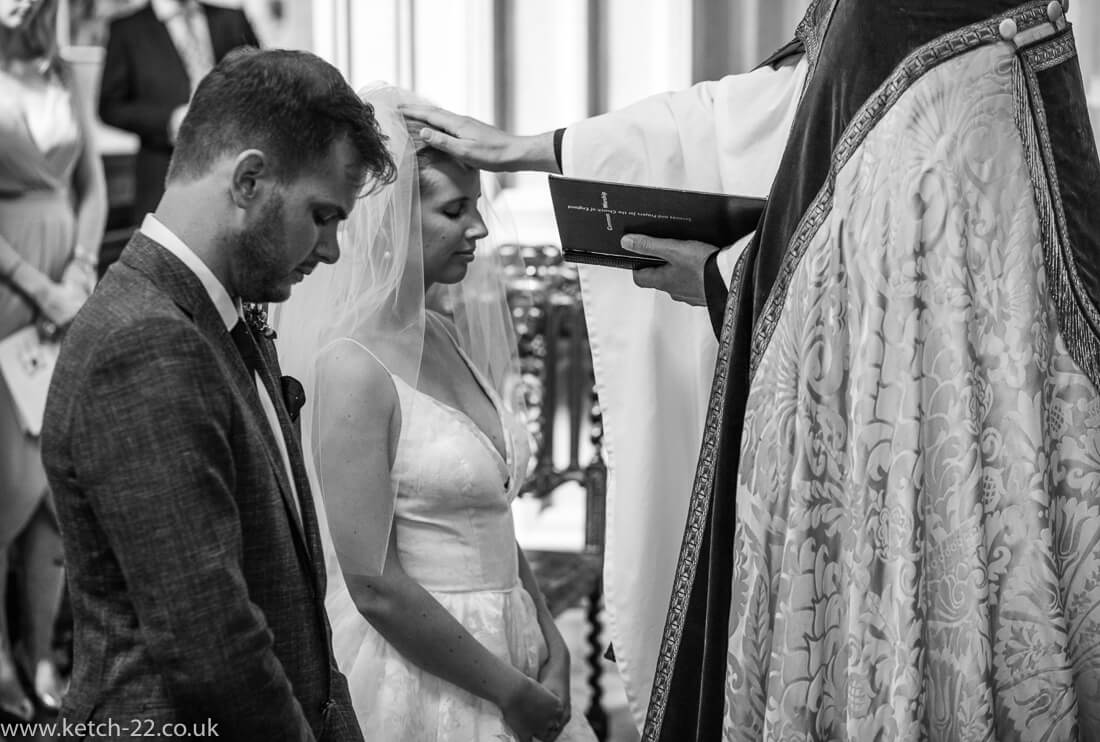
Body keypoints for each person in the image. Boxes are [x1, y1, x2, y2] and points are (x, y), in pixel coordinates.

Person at [407, 1, 1100, 739]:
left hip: (952, 396)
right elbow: (782, 111)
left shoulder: (909, 22)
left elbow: (882, 241)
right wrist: (529, 150)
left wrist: (724, 277)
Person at [40, 48, 394, 740]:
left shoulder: (215, 314)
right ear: (249, 180)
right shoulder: (144, 343)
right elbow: (214, 647)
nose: (331, 251)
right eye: (323, 215)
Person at [273, 85, 599, 742]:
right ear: (392, 223)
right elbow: (373, 584)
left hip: (510, 640)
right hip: (422, 669)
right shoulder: (352, 367)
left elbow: (488, 516)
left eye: (477, 207)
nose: (478, 227)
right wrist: (508, 691)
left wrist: (549, 637)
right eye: (456, 210)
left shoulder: (442, 333)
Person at [0, 0, 106, 720]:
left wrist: (80, 272)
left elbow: (91, 184)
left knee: (52, 479)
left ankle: (41, 653)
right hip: (8, 288)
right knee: (3, 472)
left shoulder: (66, 69)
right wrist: (35, 285)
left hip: (66, 291)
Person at [98, 0, 259, 233]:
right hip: (164, 177)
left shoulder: (231, 20)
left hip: (236, 175)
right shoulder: (127, 30)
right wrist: (169, 121)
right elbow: (110, 106)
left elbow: (263, 89)